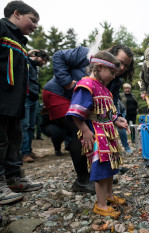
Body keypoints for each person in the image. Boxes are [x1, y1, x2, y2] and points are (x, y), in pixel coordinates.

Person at [42, 45, 134, 193]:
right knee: (79, 131)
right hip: (58, 94)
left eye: (127, 65)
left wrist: (116, 118)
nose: (122, 67)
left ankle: (99, 174)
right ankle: (83, 180)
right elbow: (58, 55)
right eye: (120, 61)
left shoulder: (114, 80)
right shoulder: (86, 54)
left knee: (93, 132)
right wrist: (67, 82)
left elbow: (111, 103)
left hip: (81, 105)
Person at [66, 51, 128, 218]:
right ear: (99, 67)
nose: (114, 76)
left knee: (109, 166)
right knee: (100, 168)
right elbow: (75, 112)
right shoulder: (86, 85)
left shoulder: (104, 88)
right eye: (112, 72)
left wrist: (117, 120)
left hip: (108, 133)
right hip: (96, 134)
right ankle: (100, 205)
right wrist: (85, 131)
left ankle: (108, 196)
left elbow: (107, 112)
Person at [0, 0, 43, 205]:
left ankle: (14, 178)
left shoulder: (20, 41)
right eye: (32, 20)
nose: (35, 26)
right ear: (16, 14)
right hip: (1, 99)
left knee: (14, 140)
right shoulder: (1, 28)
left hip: (16, 102)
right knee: (0, 141)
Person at [21, 49, 49, 163]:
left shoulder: (35, 68)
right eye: (44, 60)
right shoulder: (26, 62)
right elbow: (21, 59)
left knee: (31, 126)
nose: (44, 63)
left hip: (33, 99)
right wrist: (29, 53)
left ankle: (28, 150)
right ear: (38, 56)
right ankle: (24, 153)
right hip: (25, 97)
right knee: (25, 125)